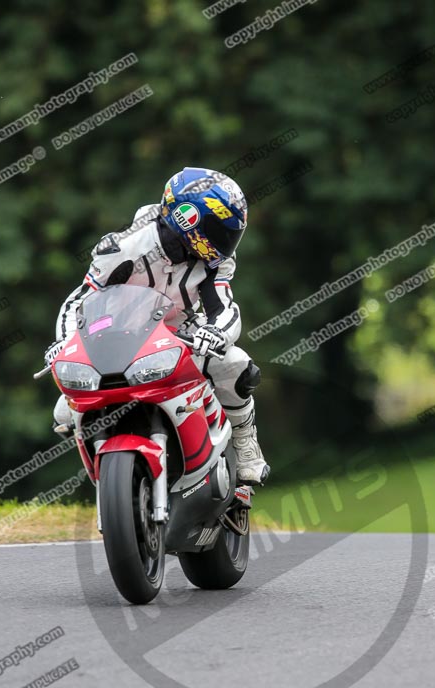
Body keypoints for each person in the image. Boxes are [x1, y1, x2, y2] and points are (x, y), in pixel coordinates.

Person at [46, 167, 270, 485]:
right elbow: (79, 301)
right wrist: (65, 342)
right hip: (115, 338)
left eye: (230, 233)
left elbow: (224, 308)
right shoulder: (123, 247)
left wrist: (217, 333)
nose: (226, 242)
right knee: (63, 411)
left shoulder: (213, 262)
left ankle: (245, 443)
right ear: (187, 218)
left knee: (236, 365)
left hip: (181, 338)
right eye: (218, 230)